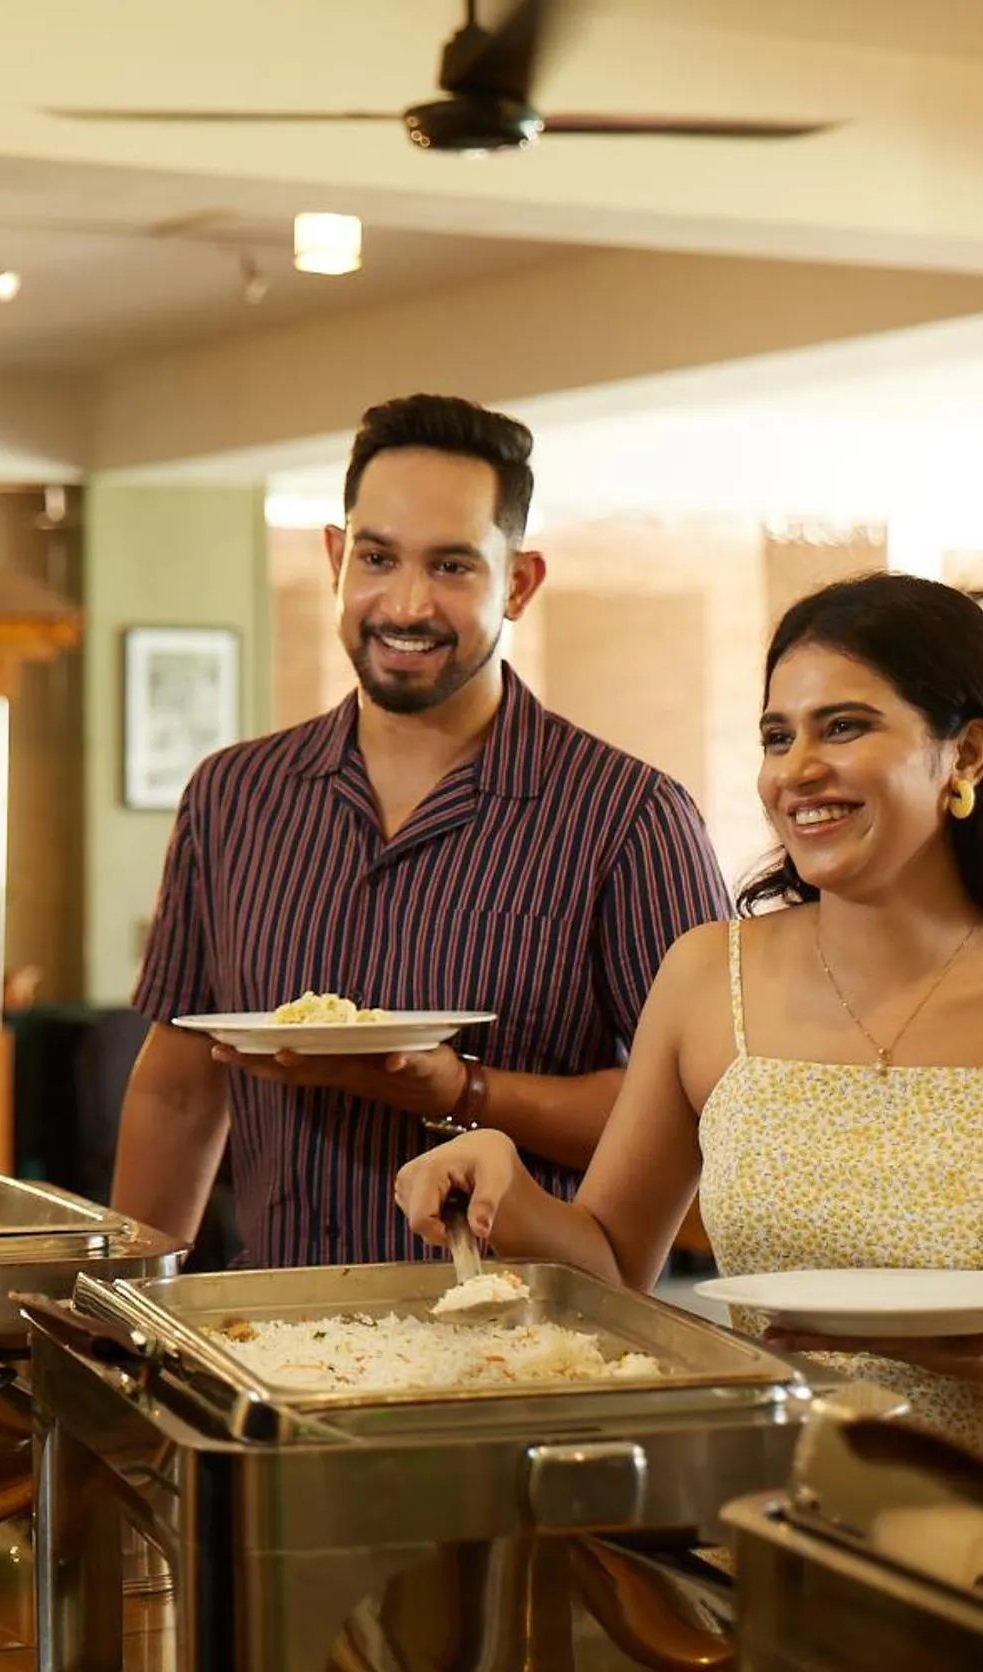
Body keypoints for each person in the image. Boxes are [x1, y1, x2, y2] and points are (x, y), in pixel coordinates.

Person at [395, 573, 983, 1466]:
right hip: (785, 1510)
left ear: (967, 755)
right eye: (778, 736)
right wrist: (508, 1189)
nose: (796, 771)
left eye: (844, 727)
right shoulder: (706, 976)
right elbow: (614, 1268)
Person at [113, 393, 732, 1268]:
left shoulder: (629, 817)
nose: (406, 605)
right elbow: (179, 1093)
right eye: (377, 558)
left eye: (451, 566)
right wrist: (126, 1307)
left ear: (518, 583)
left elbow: (707, 1113)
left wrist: (468, 1090)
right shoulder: (232, 797)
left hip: (518, 1336)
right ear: (336, 559)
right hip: (273, 1327)